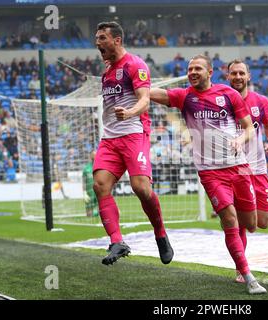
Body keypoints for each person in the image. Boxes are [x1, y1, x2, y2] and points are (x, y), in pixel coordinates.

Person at [150, 54, 267, 294]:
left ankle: (241, 261)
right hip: (211, 173)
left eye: (197, 68)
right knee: (230, 219)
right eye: (190, 68)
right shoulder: (185, 96)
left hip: (239, 167)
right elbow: (156, 94)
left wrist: (239, 139)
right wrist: (138, 86)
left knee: (251, 224)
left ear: (210, 72)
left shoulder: (229, 95)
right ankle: (247, 275)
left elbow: (248, 129)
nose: (192, 72)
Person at [94, 21, 173, 266]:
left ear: (117, 40)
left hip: (134, 133)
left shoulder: (135, 65)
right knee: (99, 185)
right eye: (97, 39)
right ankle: (117, 241)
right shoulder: (107, 70)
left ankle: (160, 233)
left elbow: (144, 101)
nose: (98, 43)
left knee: (141, 188)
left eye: (102, 38)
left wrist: (129, 113)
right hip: (109, 138)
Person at [227, 59, 268, 283]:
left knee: (262, 223)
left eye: (241, 73)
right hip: (235, 169)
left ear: (248, 76)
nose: (237, 77)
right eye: (233, 73)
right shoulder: (221, 101)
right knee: (239, 221)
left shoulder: (260, 101)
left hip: (258, 169)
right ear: (227, 77)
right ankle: (241, 268)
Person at [83, 151, 98, 217]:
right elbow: (83, 181)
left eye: (95, 155)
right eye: (93, 155)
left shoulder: (100, 166)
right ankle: (94, 213)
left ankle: (96, 213)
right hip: (90, 192)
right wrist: (84, 192)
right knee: (89, 215)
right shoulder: (86, 168)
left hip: (98, 191)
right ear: (90, 156)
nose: (94, 156)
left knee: (102, 211)